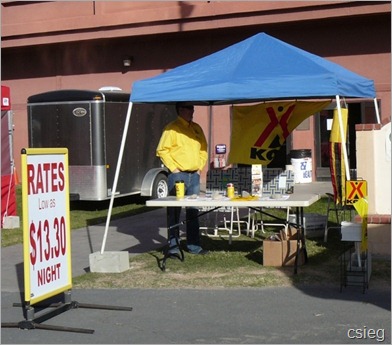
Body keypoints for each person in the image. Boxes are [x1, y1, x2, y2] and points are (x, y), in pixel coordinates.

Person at [156, 102, 209, 255]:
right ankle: (173, 247)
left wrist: (199, 167)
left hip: (194, 175)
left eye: (193, 108)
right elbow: (162, 150)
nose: (193, 111)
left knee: (193, 211)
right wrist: (174, 169)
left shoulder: (196, 128)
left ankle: (194, 246)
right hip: (178, 175)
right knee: (174, 212)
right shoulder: (172, 128)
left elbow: (203, 148)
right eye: (189, 108)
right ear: (180, 110)